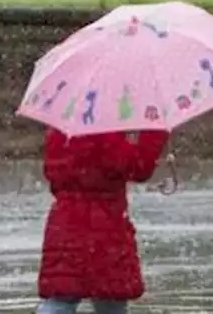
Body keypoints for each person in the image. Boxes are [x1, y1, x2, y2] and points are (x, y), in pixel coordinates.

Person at [36, 129, 170, 314]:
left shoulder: (61, 128)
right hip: (107, 227)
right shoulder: (107, 129)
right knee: (110, 300)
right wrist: (155, 132)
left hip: (64, 225)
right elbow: (139, 168)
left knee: (60, 296)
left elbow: (51, 172)